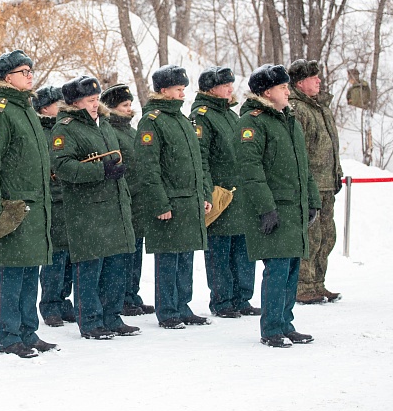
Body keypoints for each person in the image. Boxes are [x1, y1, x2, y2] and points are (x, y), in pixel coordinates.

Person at [0, 50, 54, 358]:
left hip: (32, 209)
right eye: (24, 72)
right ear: (7, 78)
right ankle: (8, 336)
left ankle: (27, 332)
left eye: (31, 70)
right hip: (11, 211)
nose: (30, 75)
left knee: (28, 274)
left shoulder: (25, 110)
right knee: (10, 275)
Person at [235, 64, 321, 347]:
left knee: (292, 269)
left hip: (293, 207)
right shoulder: (253, 122)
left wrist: (312, 200)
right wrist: (265, 207)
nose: (287, 91)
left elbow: (303, 166)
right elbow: (250, 170)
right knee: (277, 270)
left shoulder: (288, 119)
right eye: (282, 87)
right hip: (274, 207)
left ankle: (286, 323)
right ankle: (271, 328)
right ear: (266, 93)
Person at [52, 76, 139, 339]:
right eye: (89, 100)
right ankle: (90, 321)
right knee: (90, 268)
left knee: (114, 266)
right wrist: (100, 170)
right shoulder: (65, 129)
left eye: (96, 99)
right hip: (87, 209)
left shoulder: (104, 124)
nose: (94, 104)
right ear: (74, 103)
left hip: (113, 205)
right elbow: (62, 167)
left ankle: (112, 316)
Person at [131, 65, 211, 329]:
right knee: (168, 259)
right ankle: (167, 311)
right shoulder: (152, 121)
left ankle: (182, 306)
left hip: (189, 201)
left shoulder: (183, 120)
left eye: (183, 89)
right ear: (163, 90)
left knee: (186, 257)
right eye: (178, 89)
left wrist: (204, 194)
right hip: (170, 203)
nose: (182, 94)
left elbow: (198, 163)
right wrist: (159, 203)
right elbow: (148, 168)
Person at [189, 67, 259, 318]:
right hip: (221, 194)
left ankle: (242, 298)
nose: (231, 88)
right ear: (211, 89)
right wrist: (207, 192)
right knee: (220, 251)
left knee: (243, 249)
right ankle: (222, 300)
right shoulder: (202, 116)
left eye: (231, 84)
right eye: (225, 85)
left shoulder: (230, 114)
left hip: (240, 195)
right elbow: (201, 160)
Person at [288, 60, 343, 304]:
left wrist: (336, 173)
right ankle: (303, 285)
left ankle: (318, 283)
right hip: (311, 185)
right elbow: (298, 150)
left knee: (327, 236)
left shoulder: (321, 108)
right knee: (311, 236)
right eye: (313, 78)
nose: (319, 81)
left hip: (327, 183)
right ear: (300, 83)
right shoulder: (297, 109)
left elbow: (330, 146)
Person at [101, 83, 155, 317]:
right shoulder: (111, 131)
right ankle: (121, 298)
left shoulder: (130, 131)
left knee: (135, 252)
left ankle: (132, 295)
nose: (129, 109)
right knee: (123, 255)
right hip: (126, 199)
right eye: (124, 105)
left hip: (139, 200)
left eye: (130, 104)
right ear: (112, 108)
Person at [33, 85, 75, 327]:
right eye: (57, 104)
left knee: (70, 255)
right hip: (53, 201)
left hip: (70, 200)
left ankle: (63, 300)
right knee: (55, 257)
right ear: (44, 108)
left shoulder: (64, 128)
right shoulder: (41, 131)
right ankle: (50, 304)